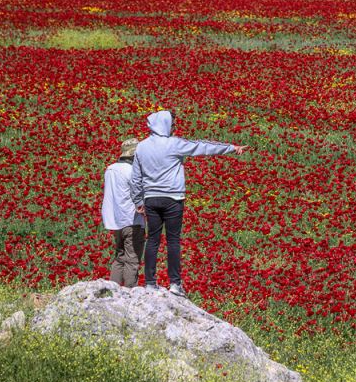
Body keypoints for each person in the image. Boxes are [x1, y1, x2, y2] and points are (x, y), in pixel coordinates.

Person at [130, 110, 248, 297]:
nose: (174, 127)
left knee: (152, 239)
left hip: (151, 198)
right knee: (173, 240)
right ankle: (175, 284)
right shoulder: (174, 144)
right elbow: (202, 147)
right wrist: (231, 147)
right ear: (165, 124)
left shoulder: (141, 147)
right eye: (172, 124)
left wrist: (138, 200)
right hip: (173, 198)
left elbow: (135, 176)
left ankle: (150, 283)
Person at [101, 138, 145, 287]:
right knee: (132, 260)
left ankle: (113, 292)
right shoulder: (132, 171)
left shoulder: (110, 169)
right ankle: (130, 294)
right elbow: (138, 194)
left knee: (119, 257)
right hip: (132, 220)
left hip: (116, 220)